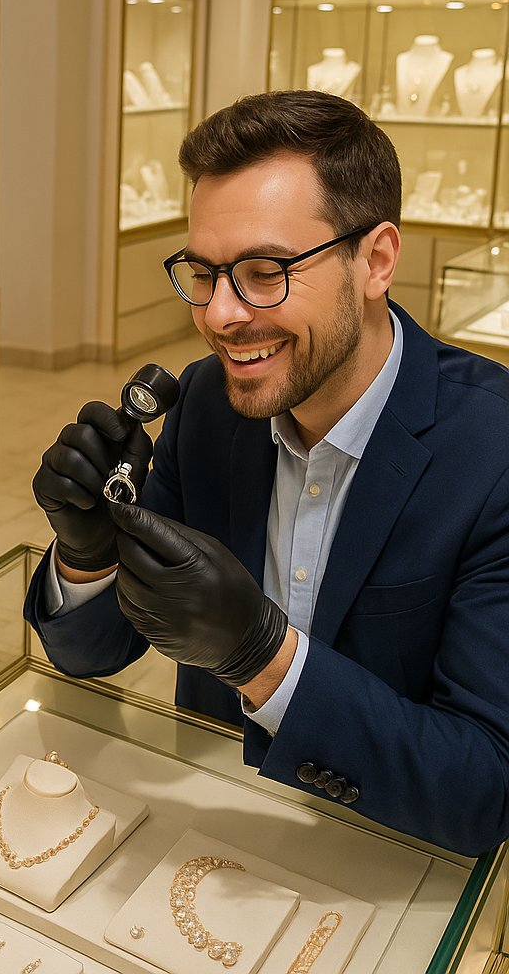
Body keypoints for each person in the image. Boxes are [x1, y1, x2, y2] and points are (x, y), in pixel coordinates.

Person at [26, 89, 509, 856]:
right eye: (204, 272)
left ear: (376, 260)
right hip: (209, 841)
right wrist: (87, 555)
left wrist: (263, 658)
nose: (221, 314)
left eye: (264, 271)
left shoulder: (492, 452)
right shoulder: (209, 408)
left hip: (393, 865)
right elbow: (91, 654)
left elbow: (487, 790)